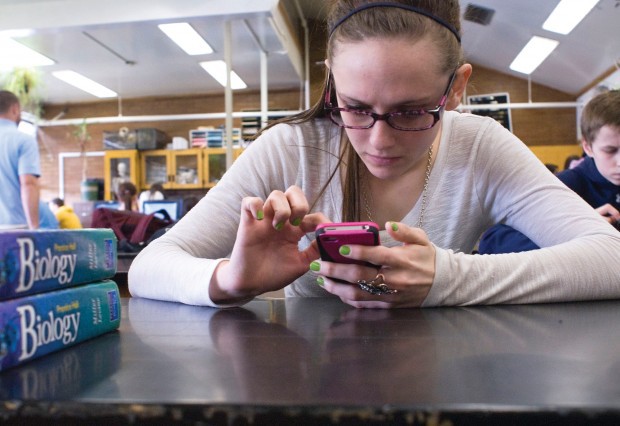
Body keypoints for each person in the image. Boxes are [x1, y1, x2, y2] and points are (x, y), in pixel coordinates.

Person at [130, 0, 620, 308]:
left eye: (411, 112)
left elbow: (610, 258)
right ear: (332, 79)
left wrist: (449, 278)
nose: (379, 142)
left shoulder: (479, 145)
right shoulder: (288, 147)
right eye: (355, 108)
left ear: (456, 88)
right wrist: (228, 279)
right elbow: (148, 267)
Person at [479, 90, 620, 254]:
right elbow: (492, 241)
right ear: (588, 147)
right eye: (610, 151)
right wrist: (573, 232)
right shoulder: (565, 185)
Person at [0, 90, 40, 229]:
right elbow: (28, 184)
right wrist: (34, 228)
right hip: (13, 228)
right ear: (15, 109)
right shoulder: (24, 141)